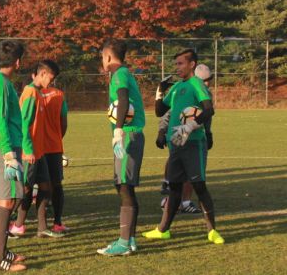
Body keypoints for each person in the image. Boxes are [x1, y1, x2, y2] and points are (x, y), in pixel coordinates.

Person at [143, 49, 224, 244]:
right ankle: (163, 229)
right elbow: (160, 111)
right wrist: (159, 91)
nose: (177, 67)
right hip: (176, 142)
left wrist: (190, 126)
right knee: (174, 187)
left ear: (192, 64)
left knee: (199, 186)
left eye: (180, 63)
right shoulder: (178, 87)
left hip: (193, 143)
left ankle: (212, 230)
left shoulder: (197, 84)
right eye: (176, 64)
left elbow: (208, 109)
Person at [96, 39, 145, 256]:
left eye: (102, 57)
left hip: (127, 135)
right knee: (124, 186)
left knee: (124, 185)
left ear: (107, 56)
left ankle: (124, 242)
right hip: (131, 135)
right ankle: (130, 238)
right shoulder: (124, 73)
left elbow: (123, 100)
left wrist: (118, 130)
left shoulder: (119, 75)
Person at [9, 61, 63, 238]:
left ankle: (42, 228)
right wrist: (27, 149)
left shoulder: (38, 93)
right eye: (50, 78)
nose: (51, 82)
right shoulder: (31, 92)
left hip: (39, 152)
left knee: (46, 187)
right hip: (30, 153)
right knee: (24, 190)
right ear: (42, 74)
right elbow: (24, 124)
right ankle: (6, 224)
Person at [0, 40, 28, 272]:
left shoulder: (3, 83)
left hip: (8, 147)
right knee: (7, 201)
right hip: (7, 149)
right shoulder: (0, 84)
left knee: (4, 200)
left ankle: (1, 252)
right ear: (18, 61)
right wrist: (8, 153)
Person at [156, 64, 215, 214]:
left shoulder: (204, 92)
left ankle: (171, 200)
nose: (207, 83)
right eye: (205, 80)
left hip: (196, 136)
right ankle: (183, 201)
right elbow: (167, 113)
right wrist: (161, 132)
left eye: (209, 80)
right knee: (189, 172)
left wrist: (208, 133)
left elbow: (207, 116)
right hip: (183, 135)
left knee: (185, 171)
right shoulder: (186, 89)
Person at [41, 73, 69, 232]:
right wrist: (57, 137)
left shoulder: (30, 93)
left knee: (31, 186)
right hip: (54, 147)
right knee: (56, 184)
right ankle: (57, 222)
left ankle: (20, 223)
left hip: (35, 148)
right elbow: (64, 122)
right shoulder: (59, 95)